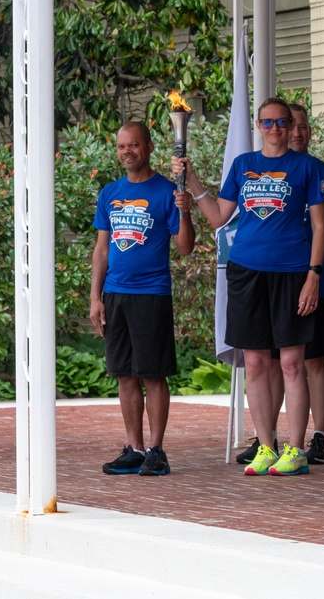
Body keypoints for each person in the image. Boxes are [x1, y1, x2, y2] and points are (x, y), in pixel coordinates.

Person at [176, 97, 324, 477]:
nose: (275, 129)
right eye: (267, 122)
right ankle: (265, 445)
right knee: (256, 363)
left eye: (282, 122)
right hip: (246, 271)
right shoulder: (244, 165)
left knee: (292, 363)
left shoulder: (306, 167)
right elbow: (219, 218)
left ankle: (296, 449)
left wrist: (314, 274)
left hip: (292, 271)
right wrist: (192, 182)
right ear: (258, 125)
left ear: (292, 127)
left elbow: (322, 227)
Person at [237, 103, 324, 466]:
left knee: (310, 360)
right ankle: (266, 440)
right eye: (289, 125)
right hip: (264, 279)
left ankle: (315, 437)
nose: (294, 131)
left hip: (307, 280)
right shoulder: (251, 167)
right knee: (267, 361)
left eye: (297, 125)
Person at [93, 122, 196, 477]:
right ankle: (134, 448)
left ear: (149, 148)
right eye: (122, 146)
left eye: (133, 145)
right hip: (115, 293)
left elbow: (185, 247)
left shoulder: (168, 191)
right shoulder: (110, 193)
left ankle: (156, 450)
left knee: (152, 374)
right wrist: (96, 296)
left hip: (151, 293)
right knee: (124, 374)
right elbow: (102, 249)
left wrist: (185, 209)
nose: (127, 152)